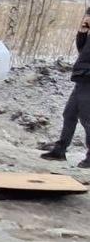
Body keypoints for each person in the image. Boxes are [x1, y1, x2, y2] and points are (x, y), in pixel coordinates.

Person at [41, 9, 90, 168]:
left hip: (88, 80)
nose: (87, 19)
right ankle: (60, 150)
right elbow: (82, 51)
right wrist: (82, 33)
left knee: (87, 119)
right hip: (81, 79)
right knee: (69, 114)